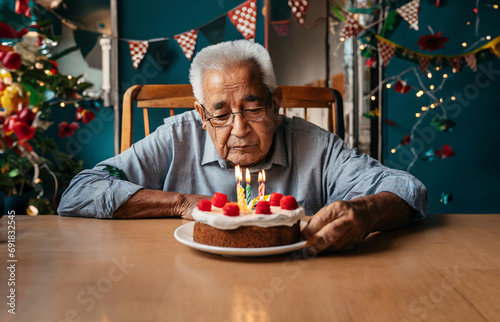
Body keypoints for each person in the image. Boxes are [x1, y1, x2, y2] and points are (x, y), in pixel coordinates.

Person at [58, 40, 428, 254]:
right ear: (201, 115)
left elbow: (407, 188)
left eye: (253, 108)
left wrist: (366, 211)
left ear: (276, 103)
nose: (239, 129)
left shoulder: (314, 145)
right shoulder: (176, 138)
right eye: (220, 114)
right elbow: (80, 193)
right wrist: (184, 204)